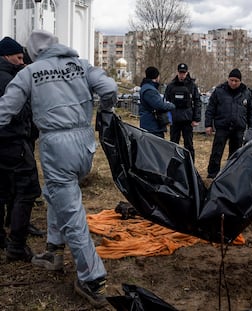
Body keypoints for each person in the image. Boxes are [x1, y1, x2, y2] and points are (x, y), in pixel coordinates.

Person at [0, 29, 118, 308]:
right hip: (85, 145)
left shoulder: (30, 72)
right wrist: (107, 111)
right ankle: (53, 251)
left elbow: (6, 109)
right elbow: (110, 89)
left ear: (32, 52)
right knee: (56, 194)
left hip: (57, 145)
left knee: (72, 213)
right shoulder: (81, 64)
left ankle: (91, 277)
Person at [0, 36, 42, 256]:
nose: (22, 62)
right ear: (7, 56)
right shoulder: (9, 80)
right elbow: (19, 112)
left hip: (7, 142)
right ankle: (17, 244)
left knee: (3, 191)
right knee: (27, 190)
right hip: (12, 142)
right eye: (18, 57)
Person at [204, 68, 252, 178]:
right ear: (228, 79)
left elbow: (251, 111)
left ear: (240, 81)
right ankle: (212, 174)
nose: (233, 83)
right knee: (217, 152)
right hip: (222, 126)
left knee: (235, 153)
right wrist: (208, 124)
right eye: (231, 80)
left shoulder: (246, 93)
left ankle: (231, 175)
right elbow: (210, 108)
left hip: (238, 128)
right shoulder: (219, 91)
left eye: (236, 81)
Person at [164, 63, 202, 160]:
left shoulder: (192, 86)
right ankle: (172, 165)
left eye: (184, 73)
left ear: (187, 73)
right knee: (173, 143)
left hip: (187, 120)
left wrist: (196, 119)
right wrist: (167, 118)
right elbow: (166, 102)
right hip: (175, 119)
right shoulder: (171, 86)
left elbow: (197, 101)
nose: (182, 75)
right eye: (180, 73)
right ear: (177, 72)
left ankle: (190, 166)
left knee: (188, 144)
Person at [139, 66, 175, 138]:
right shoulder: (149, 90)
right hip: (152, 126)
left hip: (151, 125)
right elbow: (159, 105)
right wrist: (171, 105)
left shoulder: (148, 87)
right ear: (156, 77)